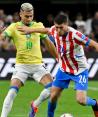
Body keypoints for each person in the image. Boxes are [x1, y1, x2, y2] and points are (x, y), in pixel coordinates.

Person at [17, 12, 98, 117]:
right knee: (53, 96)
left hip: (79, 71)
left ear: (66, 24)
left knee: (81, 100)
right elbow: (46, 30)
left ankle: (95, 104)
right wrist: (30, 30)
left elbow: (95, 44)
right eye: (56, 27)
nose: (58, 30)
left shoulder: (75, 35)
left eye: (61, 27)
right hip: (64, 69)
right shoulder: (54, 30)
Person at [0, 3, 58, 117]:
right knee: (12, 92)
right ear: (20, 14)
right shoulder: (14, 27)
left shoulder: (38, 26)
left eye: (31, 16)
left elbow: (48, 43)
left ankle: (35, 105)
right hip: (21, 66)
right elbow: (2, 37)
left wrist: (58, 57)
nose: (29, 18)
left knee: (53, 89)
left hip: (38, 65)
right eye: (26, 16)